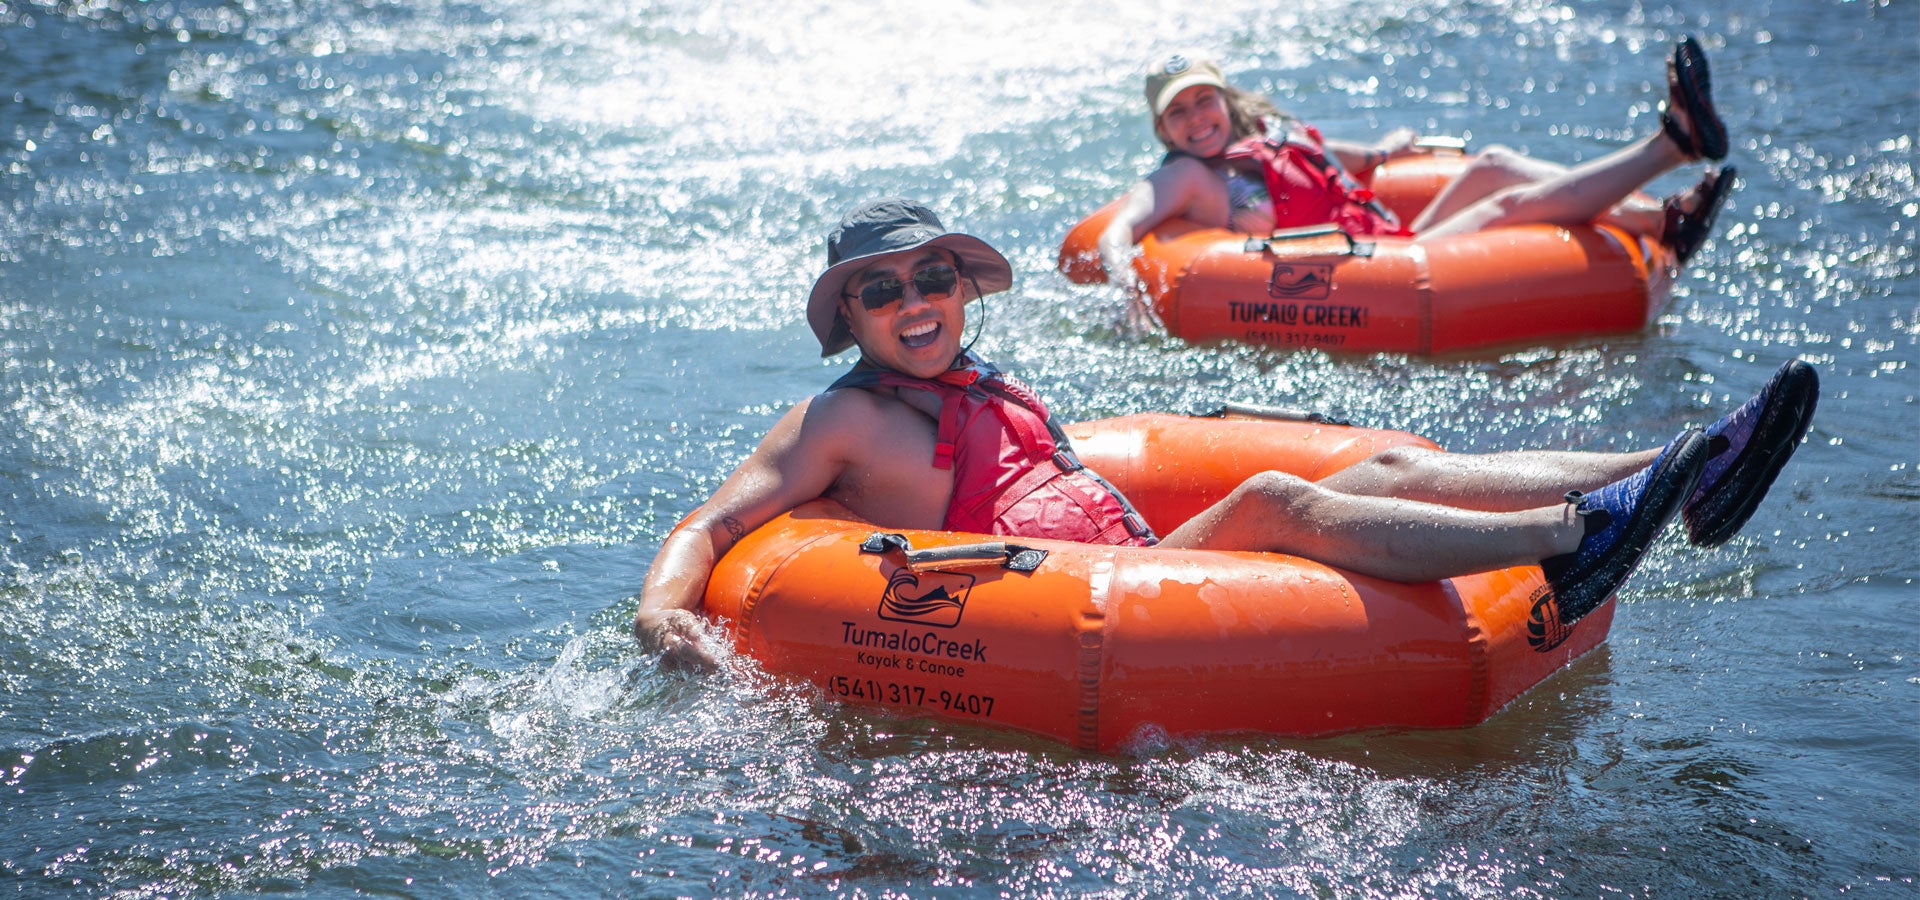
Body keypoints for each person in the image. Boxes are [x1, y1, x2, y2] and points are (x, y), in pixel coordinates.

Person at [634, 199, 1817, 672]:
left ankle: (1692, 459)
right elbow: (717, 521)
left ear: (962, 285)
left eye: (933, 275)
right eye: (882, 291)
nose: (914, 301)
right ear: (851, 315)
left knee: (1388, 466)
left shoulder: (983, 379)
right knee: (1272, 499)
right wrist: (660, 611)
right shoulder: (839, 416)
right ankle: (1572, 534)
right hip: (1068, 588)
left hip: (1135, 543)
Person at [1098, 38, 1739, 282]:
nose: (1195, 119)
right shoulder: (1186, 177)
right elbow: (1127, 221)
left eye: (1202, 101)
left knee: (1490, 162)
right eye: (1177, 113)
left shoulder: (1263, 136)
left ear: (1223, 98)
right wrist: (1123, 274)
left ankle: (1664, 223)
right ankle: (1672, 145)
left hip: (1385, 238)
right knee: (1506, 204)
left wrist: (1384, 153)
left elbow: (1325, 159)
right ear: (1163, 128)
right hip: (1370, 273)